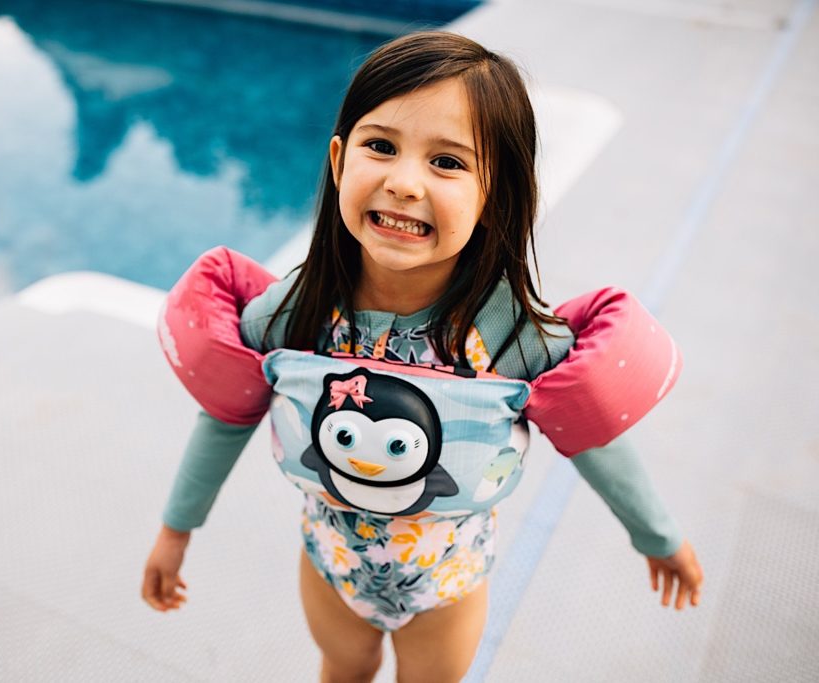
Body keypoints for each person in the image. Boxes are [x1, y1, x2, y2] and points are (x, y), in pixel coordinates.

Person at [142, 31, 703, 683]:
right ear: (338, 158)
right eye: (381, 146)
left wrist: (657, 534)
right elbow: (226, 412)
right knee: (341, 670)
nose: (405, 183)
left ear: (495, 194)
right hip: (334, 567)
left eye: (448, 162)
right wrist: (176, 528)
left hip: (449, 582)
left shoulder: (506, 330)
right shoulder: (297, 311)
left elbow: (592, 430)